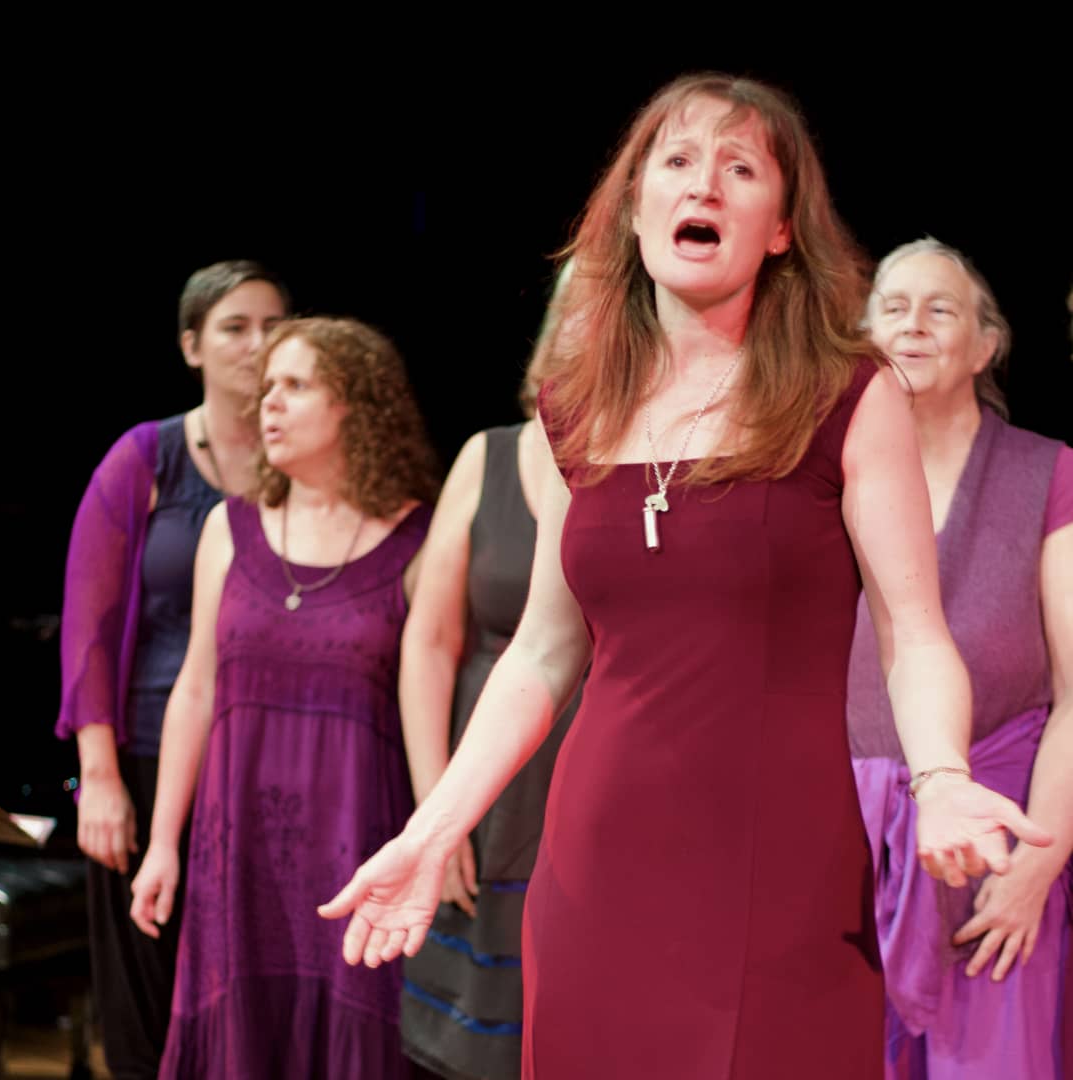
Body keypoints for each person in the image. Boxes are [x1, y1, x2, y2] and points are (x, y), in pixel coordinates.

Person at [319, 73, 1052, 1079]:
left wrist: (942, 778)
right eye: (677, 160)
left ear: (781, 228)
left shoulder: (848, 395)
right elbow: (543, 652)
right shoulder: (579, 408)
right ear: (635, 208)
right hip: (597, 856)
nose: (703, 183)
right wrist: (434, 825)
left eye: (739, 167)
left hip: (777, 860)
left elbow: (914, 634)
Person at [129, 317, 439, 1078]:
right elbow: (195, 687)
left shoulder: (419, 540)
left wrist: (437, 835)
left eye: (295, 385)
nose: (268, 402)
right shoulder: (227, 528)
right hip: (237, 848)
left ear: (355, 406)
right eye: (267, 386)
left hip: (355, 843)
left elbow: (429, 694)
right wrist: (163, 841)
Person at [55, 259, 289, 1078]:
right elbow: (87, 627)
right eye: (234, 327)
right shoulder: (144, 458)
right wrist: (99, 777)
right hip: (152, 754)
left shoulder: (303, 458)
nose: (256, 344)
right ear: (192, 346)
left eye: (273, 326)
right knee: (146, 993)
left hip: (268, 759)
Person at [848, 239, 1073, 1078]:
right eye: (893, 308)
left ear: (985, 347)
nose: (912, 325)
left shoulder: (1046, 473)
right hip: (849, 853)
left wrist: (1037, 869)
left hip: (1000, 854)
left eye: (939, 309)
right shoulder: (825, 477)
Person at [399, 266, 580, 1080]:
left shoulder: (662, 468)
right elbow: (430, 642)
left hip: (602, 780)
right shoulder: (489, 455)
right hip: (495, 790)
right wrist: (437, 807)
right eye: (579, 307)